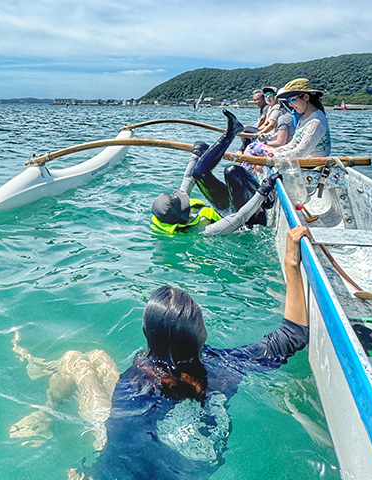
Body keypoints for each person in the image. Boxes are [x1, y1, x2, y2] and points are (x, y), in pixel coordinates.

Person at [72, 226, 312, 479]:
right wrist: (291, 263)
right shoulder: (223, 367)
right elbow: (293, 336)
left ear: (147, 332)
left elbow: (121, 450)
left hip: (137, 466)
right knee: (91, 359)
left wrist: (88, 472)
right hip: (195, 465)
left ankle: (43, 406)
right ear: (200, 335)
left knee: (78, 361)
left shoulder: (133, 384)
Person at [149, 111, 277, 235]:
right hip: (250, 219)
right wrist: (263, 191)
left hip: (227, 209)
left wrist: (196, 154)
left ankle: (231, 132)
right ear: (181, 215)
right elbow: (239, 217)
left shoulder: (170, 216)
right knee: (233, 172)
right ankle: (267, 201)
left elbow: (188, 179)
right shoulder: (205, 231)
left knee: (199, 173)